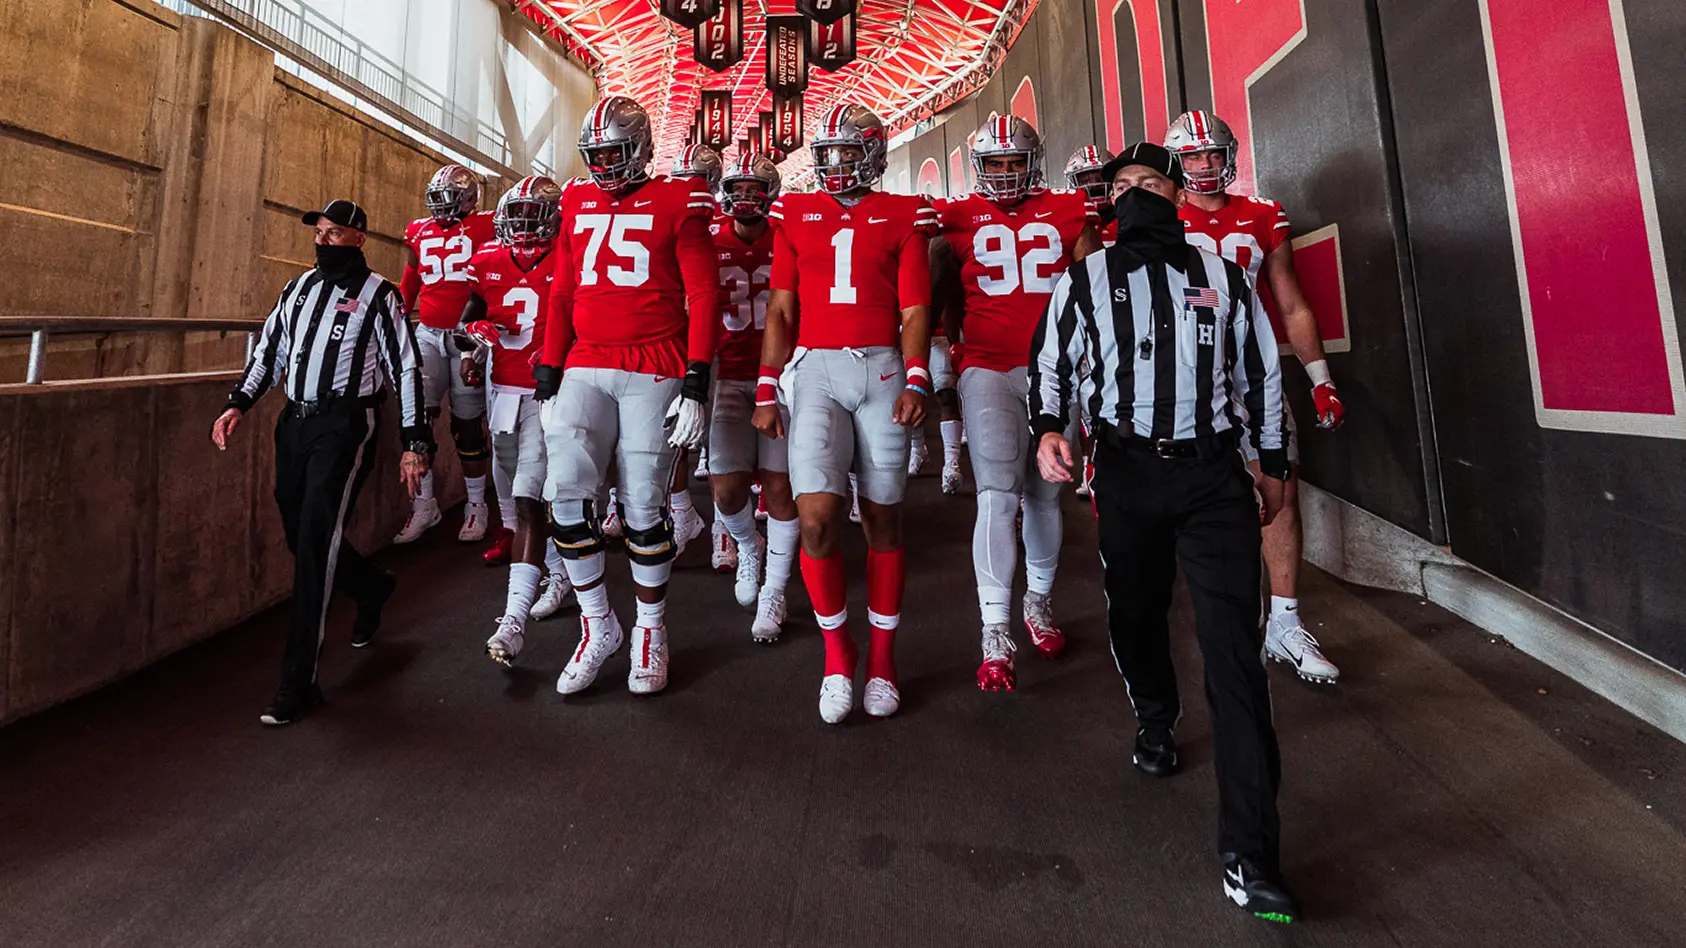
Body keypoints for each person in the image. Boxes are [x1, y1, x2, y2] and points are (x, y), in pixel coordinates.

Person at [1029, 143, 1298, 922]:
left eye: (1149, 183)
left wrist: (1273, 461)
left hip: (1214, 474)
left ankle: (1251, 853)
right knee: (1135, 610)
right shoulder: (1084, 279)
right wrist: (1050, 426)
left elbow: (1260, 373)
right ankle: (1154, 711)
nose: (1135, 195)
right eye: (1121, 187)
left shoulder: (1224, 276)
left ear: (1178, 193)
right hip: (1128, 470)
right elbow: (1049, 362)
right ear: (1107, 203)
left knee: (1234, 655)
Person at [211, 200, 431, 726]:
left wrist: (414, 441)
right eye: (320, 234)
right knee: (298, 532)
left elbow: (406, 365)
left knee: (313, 541)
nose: (324, 242)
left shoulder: (380, 296)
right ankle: (371, 586)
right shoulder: (297, 289)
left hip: (344, 427)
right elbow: (270, 352)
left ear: (359, 239)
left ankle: (298, 681)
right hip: (295, 422)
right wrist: (238, 402)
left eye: (335, 235)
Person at [754, 103, 937, 723]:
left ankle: (883, 660)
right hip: (816, 369)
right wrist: (765, 384)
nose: (833, 164)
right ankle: (839, 655)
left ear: (873, 153)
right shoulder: (794, 212)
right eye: (825, 153)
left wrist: (918, 376)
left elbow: (915, 308)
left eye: (845, 151)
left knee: (884, 521)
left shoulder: (905, 213)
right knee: (817, 521)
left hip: (883, 366)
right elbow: (780, 308)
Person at [535, 96, 720, 696]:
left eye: (614, 152)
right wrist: (548, 365)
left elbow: (704, 294)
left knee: (643, 506)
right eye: (595, 155)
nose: (604, 166)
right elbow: (562, 293)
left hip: (655, 359)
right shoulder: (575, 199)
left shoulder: (678, 198)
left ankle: (650, 630)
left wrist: (696, 379)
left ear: (640, 148)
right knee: (564, 493)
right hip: (587, 359)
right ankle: (597, 625)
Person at [1165, 110, 1346, 683]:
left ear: (1230, 155)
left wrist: (1321, 380)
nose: (1204, 165)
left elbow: (1291, 303)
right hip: (1184, 381)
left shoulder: (1262, 216)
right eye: (1191, 156)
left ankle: (1286, 624)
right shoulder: (1158, 221)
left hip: (1255, 374)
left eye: (1212, 153)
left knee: (1280, 490)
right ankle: (1206, 624)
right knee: (1187, 505)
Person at [930, 115, 1100, 691]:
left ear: (1033, 161)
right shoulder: (953, 218)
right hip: (986, 367)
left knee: (1046, 496)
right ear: (978, 168)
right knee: (998, 496)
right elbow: (937, 289)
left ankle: (1039, 603)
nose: (1004, 174)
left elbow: (1097, 291)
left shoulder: (1072, 210)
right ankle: (995, 630)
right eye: (994, 164)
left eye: (1013, 162)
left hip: (1056, 370)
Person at [457, 177, 577, 666]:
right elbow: (467, 320)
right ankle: (558, 570)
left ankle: (512, 621)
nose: (525, 228)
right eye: (518, 217)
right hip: (502, 390)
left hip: (548, 393)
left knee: (529, 494)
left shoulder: (569, 256)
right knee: (506, 482)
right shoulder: (486, 262)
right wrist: (472, 338)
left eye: (535, 217)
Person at [707, 152, 801, 642]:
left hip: (780, 380)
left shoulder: (789, 236)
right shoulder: (707, 241)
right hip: (728, 377)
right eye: (736, 189)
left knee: (782, 489)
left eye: (754, 189)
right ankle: (748, 546)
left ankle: (775, 590)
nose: (744, 199)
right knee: (726, 488)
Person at [397, 164, 498, 547]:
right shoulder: (419, 230)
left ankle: (476, 505)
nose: (439, 207)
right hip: (428, 332)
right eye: (435, 200)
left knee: (467, 424)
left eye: (448, 199)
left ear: (469, 199)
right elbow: (411, 279)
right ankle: (425, 504)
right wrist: (401, 315)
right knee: (417, 417)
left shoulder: (485, 226)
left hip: (465, 336)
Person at [670, 144, 729, 568]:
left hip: (723, 338)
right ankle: (681, 513)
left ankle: (725, 529)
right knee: (670, 435)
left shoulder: (729, 222)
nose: (689, 187)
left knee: (724, 443)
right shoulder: (668, 216)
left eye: (697, 178)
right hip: (674, 338)